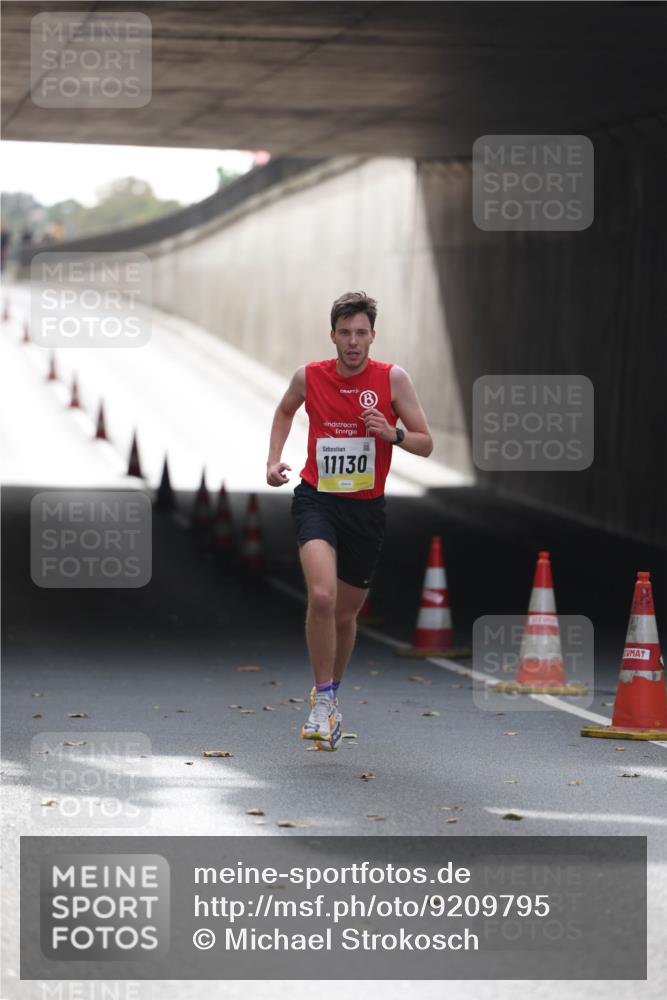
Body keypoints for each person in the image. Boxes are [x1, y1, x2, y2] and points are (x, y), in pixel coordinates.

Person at [266, 291, 433, 750]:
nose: (353, 342)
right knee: (322, 595)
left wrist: (392, 433)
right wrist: (273, 460)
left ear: (373, 336)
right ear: (333, 336)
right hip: (317, 498)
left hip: (366, 509)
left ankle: (332, 697)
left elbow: (425, 442)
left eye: (361, 333)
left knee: (345, 613)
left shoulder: (393, 379)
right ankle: (322, 701)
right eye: (345, 333)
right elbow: (285, 410)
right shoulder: (310, 376)